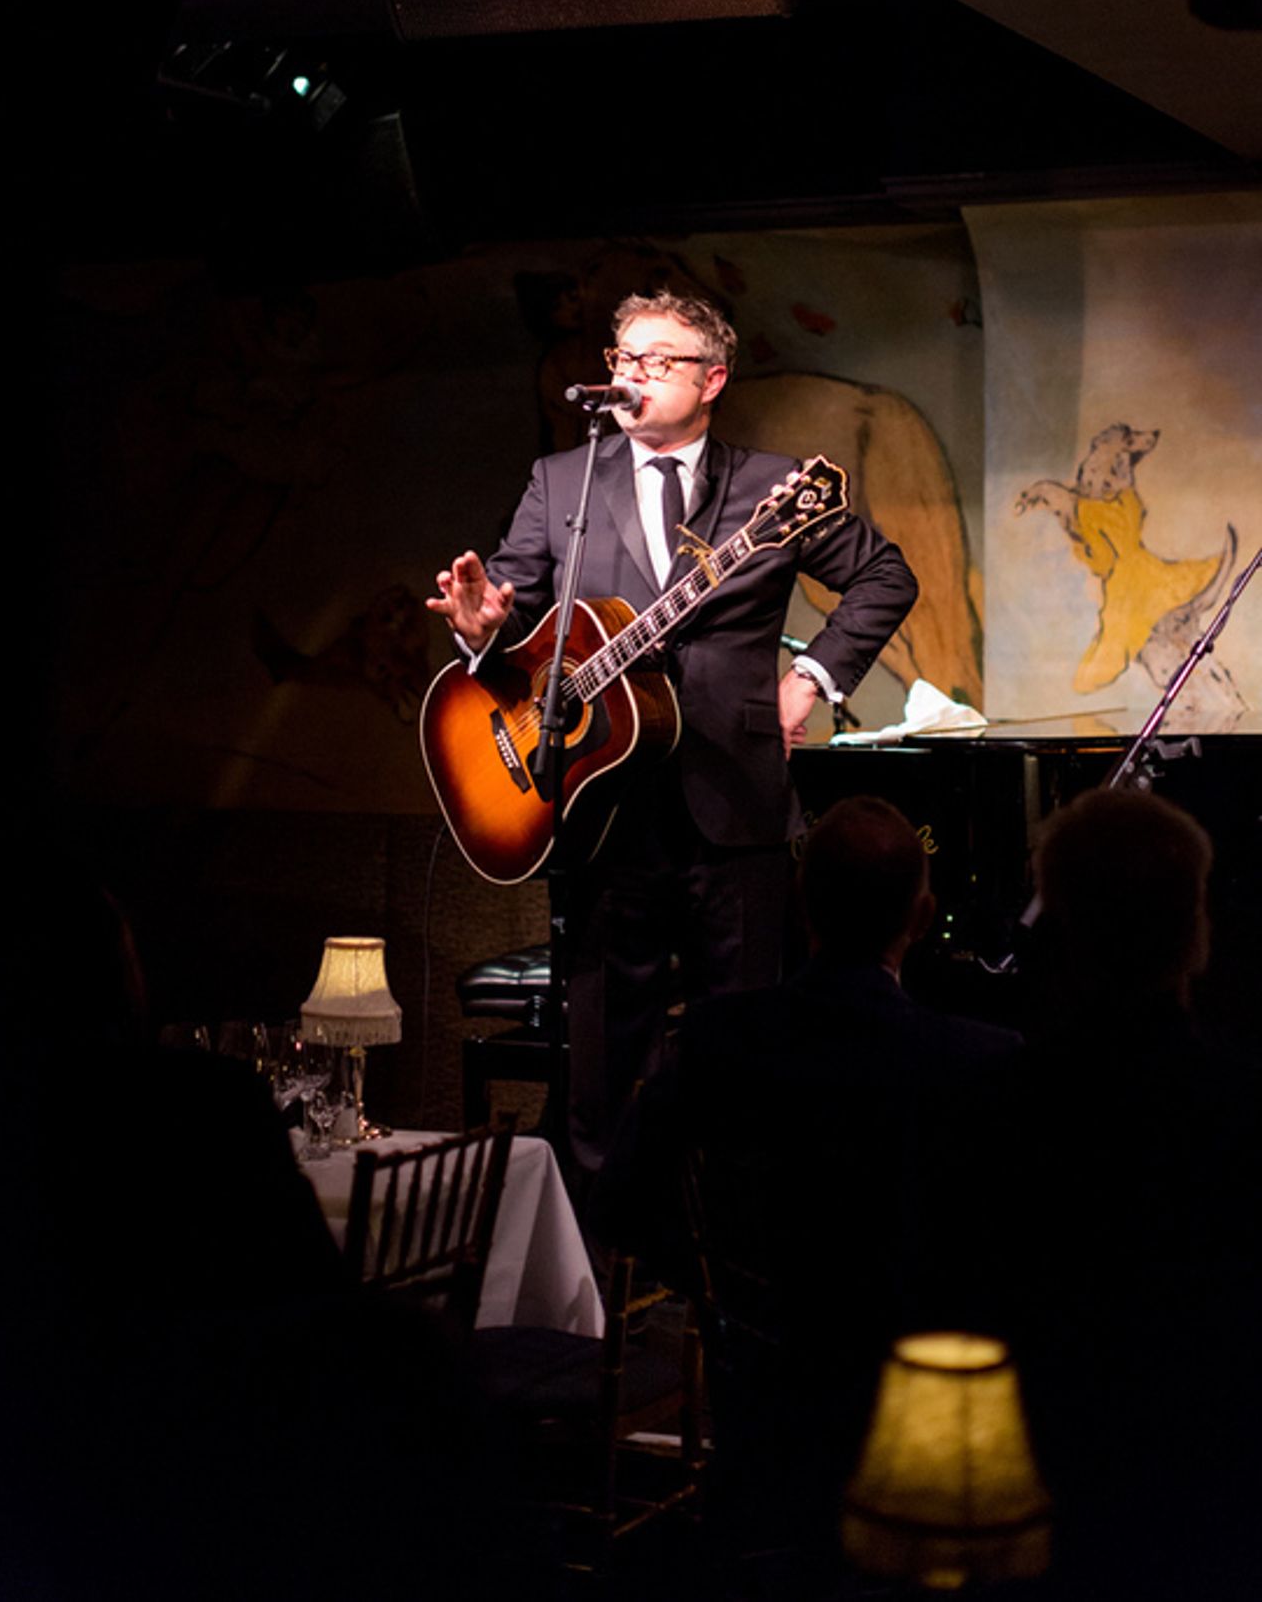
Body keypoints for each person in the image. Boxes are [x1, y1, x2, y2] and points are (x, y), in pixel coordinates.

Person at [427, 290, 918, 1199]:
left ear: (713, 378)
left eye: (657, 362)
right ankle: (606, 1259)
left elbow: (886, 577)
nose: (632, 376)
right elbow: (508, 605)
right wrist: (478, 626)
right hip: (600, 808)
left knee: (741, 1037)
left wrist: (810, 679)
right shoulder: (563, 483)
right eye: (623, 359)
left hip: (733, 797)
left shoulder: (775, 487)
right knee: (606, 1048)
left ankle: (729, 1247)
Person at [592, 794, 1024, 1596]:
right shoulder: (984, 1064)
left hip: (761, 1417)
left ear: (799, 901)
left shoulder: (720, 1040)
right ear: (923, 915)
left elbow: (621, 1197)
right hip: (929, 1443)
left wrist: (722, 1298)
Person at [1011, 787, 1262, 1602]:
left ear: (1062, 934)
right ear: (1197, 932)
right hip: (1221, 1509)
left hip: (1041, 1504)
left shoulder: (997, 1106)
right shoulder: (1237, 1105)